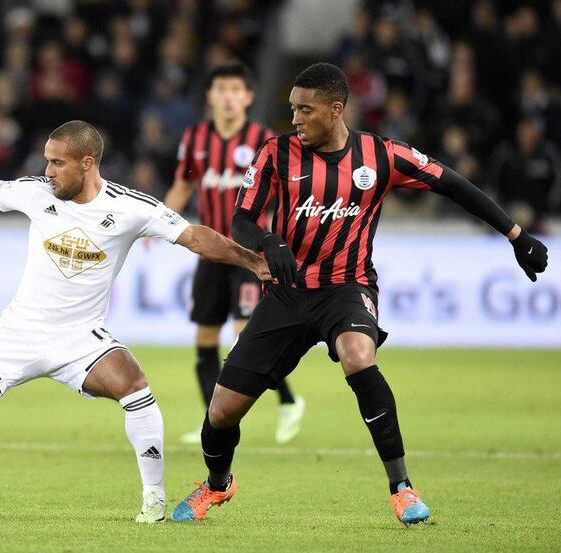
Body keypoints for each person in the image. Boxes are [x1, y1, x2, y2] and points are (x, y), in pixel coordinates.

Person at [171, 63, 549, 525]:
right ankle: (216, 485)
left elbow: (451, 184)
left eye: (304, 110)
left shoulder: (381, 155)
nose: (294, 118)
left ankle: (402, 488)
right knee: (223, 411)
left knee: (358, 354)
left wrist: (515, 235)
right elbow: (241, 220)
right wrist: (269, 241)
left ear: (336, 110)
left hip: (346, 289)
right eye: (291, 108)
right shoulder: (275, 153)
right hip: (287, 294)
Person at [0, 120, 270, 524]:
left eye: (57, 163)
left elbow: (194, 236)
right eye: (47, 161)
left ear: (87, 163)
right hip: (17, 333)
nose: (47, 171)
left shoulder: (130, 207)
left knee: (135, 389)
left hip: (81, 340)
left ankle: (153, 499)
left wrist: (252, 261)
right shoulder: (36, 192)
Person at [165, 62, 305, 445]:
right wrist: (156, 221)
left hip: (248, 255)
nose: (227, 96)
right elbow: (183, 185)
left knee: (246, 334)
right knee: (206, 339)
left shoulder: (263, 140)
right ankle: (213, 419)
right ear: (210, 96)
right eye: (220, 88)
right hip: (211, 255)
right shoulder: (195, 139)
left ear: (247, 97)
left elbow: (287, 192)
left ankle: (289, 401)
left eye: (234, 89)